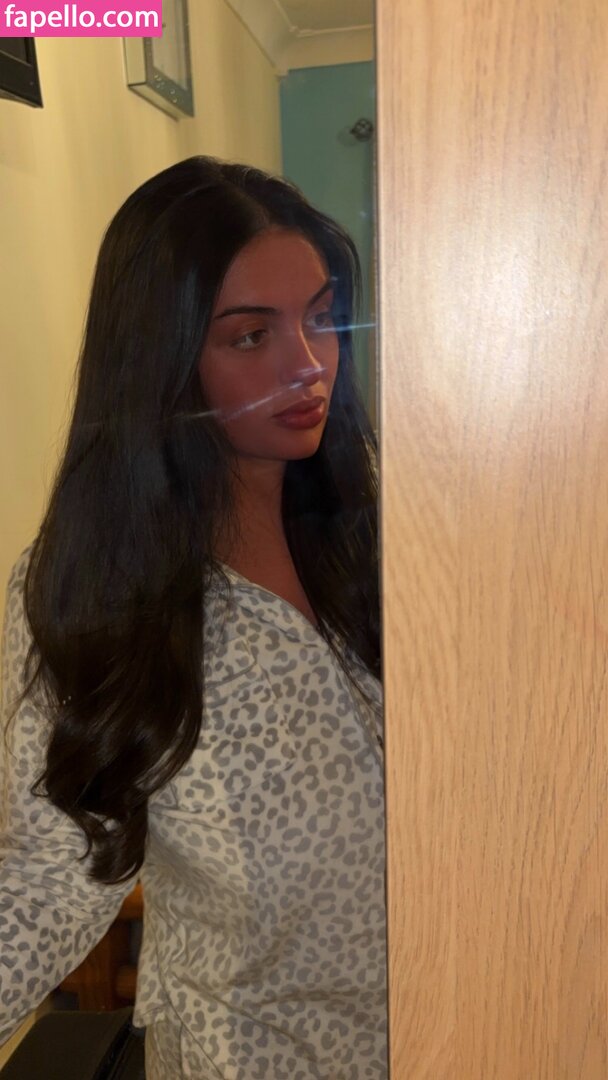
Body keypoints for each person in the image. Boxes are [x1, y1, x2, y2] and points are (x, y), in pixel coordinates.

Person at [0, 156, 386, 1079]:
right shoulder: (101, 591)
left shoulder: (385, 537)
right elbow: (55, 872)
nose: (308, 364)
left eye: (322, 316)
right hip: (247, 1060)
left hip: (461, 1029)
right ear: (163, 361)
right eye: (252, 335)